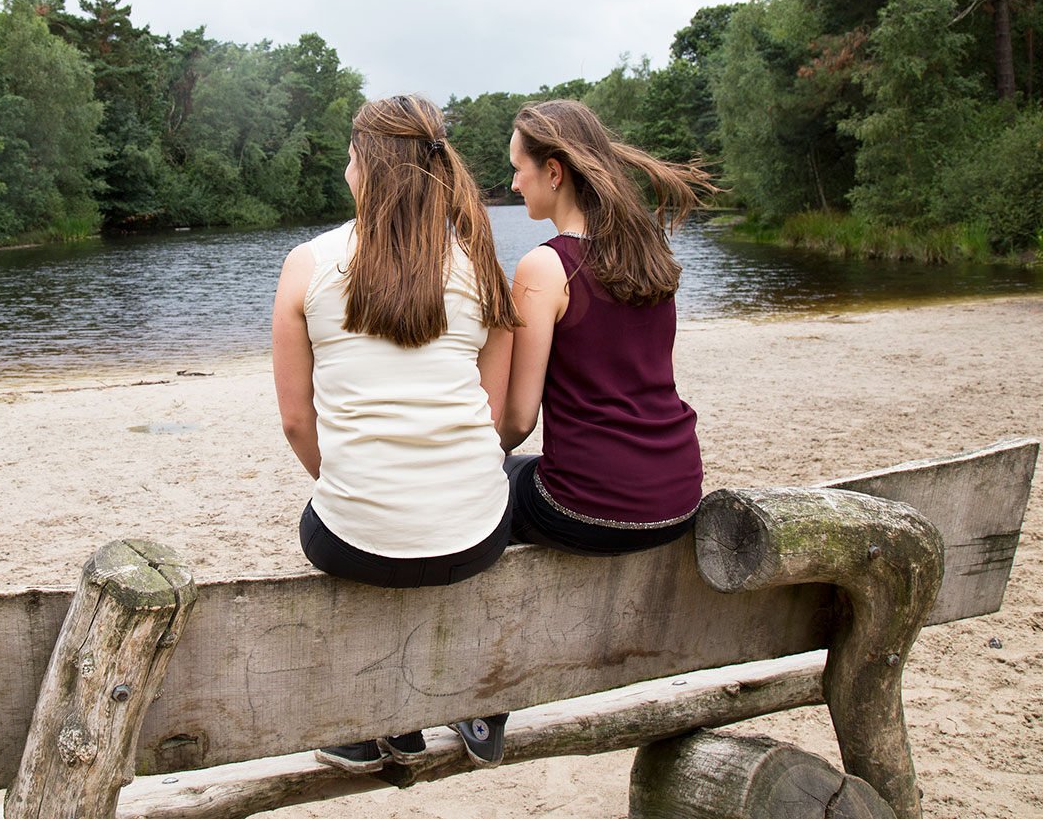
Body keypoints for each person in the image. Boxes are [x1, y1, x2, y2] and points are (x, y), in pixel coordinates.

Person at [459, 99, 719, 762]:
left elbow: (518, 419)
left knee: (486, 497)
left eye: (517, 170)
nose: (511, 184)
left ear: (555, 170)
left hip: (596, 504)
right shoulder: (649, 253)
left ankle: (485, 702)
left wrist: (468, 462)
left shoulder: (546, 268)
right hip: (678, 495)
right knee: (518, 481)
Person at [271, 95, 521, 773]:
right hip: (476, 538)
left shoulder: (308, 264)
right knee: (449, 524)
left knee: (342, 534)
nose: (346, 169)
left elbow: (296, 421)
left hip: (353, 541)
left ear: (368, 168)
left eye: (351, 157)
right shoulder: (484, 269)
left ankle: (379, 725)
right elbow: (494, 423)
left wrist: (354, 481)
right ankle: (449, 707)